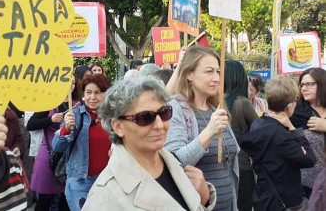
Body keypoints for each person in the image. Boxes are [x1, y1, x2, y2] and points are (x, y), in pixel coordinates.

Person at [83, 77, 217, 210]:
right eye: (145, 117)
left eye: (164, 113)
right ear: (118, 127)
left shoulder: (174, 163)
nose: (159, 125)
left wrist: (203, 200)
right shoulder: (104, 196)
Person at [165, 45, 239, 211]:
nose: (216, 78)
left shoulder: (217, 109)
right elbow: (173, 163)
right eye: (209, 71)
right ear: (190, 74)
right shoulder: (175, 109)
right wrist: (209, 132)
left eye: (218, 72)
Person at [239, 76, 316, 211]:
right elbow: (310, 159)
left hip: (263, 196)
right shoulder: (281, 136)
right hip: (286, 201)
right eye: (296, 100)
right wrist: (293, 130)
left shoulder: (257, 123)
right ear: (289, 106)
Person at [53, 74, 111, 211]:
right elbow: (57, 146)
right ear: (83, 94)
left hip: (108, 181)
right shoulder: (75, 115)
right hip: (80, 182)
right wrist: (65, 129)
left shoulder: (113, 117)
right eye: (88, 92)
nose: (92, 97)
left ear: (105, 93)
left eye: (98, 93)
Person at [28, 75, 80, 211]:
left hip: (69, 157)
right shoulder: (49, 102)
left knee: (66, 199)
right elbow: (31, 124)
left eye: (73, 82)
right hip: (49, 155)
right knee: (45, 198)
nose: (70, 84)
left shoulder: (77, 104)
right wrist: (51, 120)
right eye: (67, 80)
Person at [224, 61, 258, 211]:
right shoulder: (242, 103)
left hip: (223, 165)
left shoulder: (214, 101)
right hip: (242, 165)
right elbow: (260, 131)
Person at [290, 67, 326, 197]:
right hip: (305, 184)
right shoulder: (295, 111)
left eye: (310, 84)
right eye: (302, 85)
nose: (304, 88)